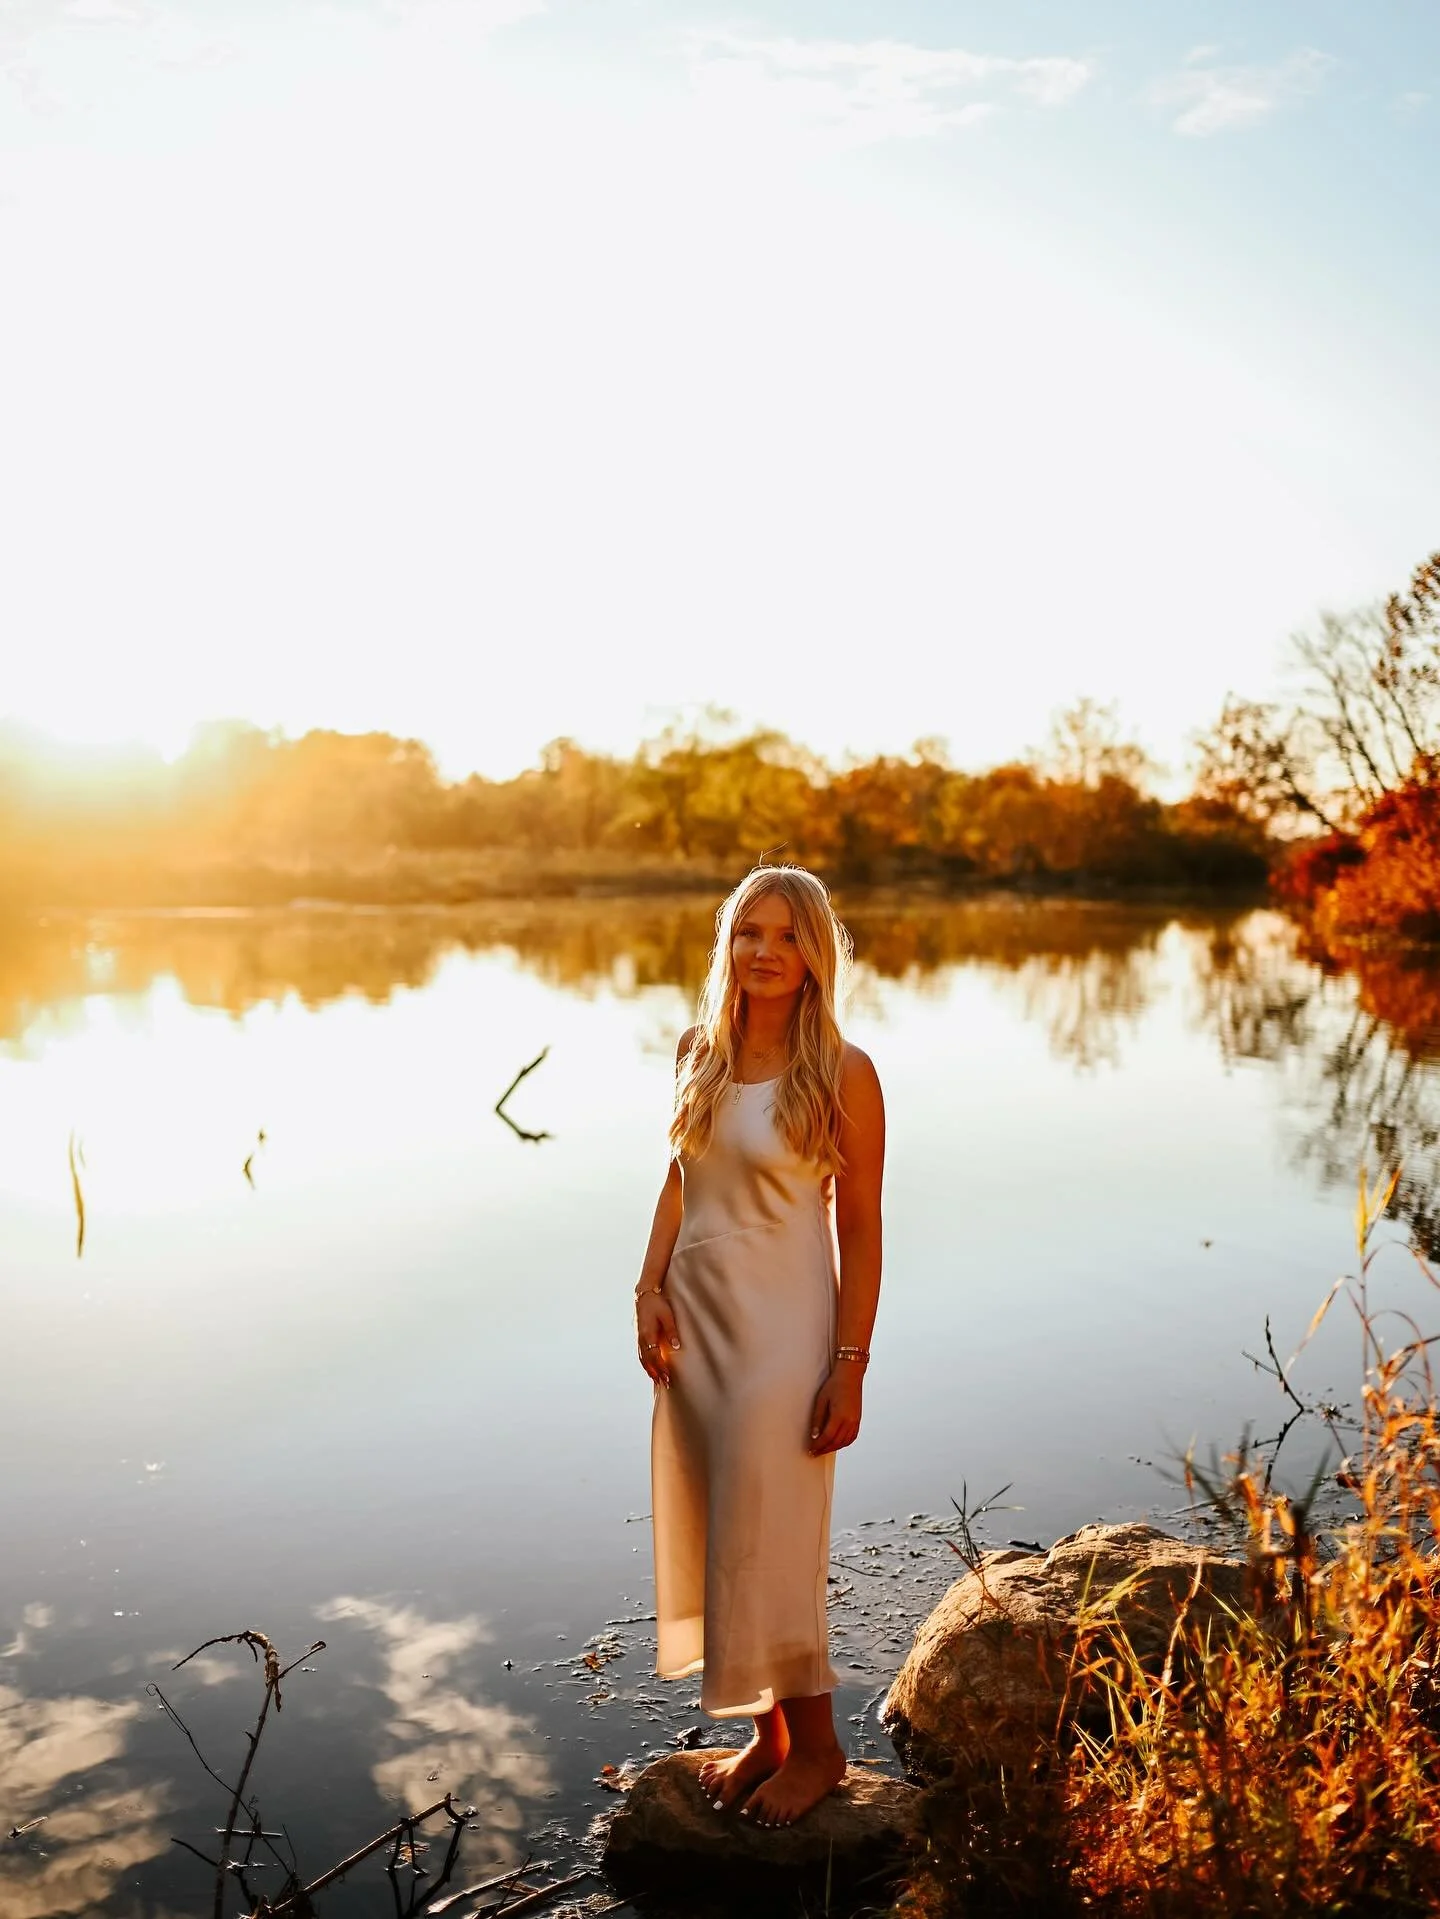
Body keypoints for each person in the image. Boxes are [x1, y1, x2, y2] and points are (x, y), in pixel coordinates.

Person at [633, 864, 885, 1828]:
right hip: (699, 1327)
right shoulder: (701, 1048)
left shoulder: (844, 1070)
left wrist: (849, 1364)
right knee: (726, 1528)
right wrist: (649, 1288)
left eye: (786, 934)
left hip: (787, 1333)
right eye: (749, 932)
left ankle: (821, 1749)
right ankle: (772, 1734)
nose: (765, 951)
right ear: (727, 945)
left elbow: (859, 1228)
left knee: (772, 1531)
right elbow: (677, 1182)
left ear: (815, 951)